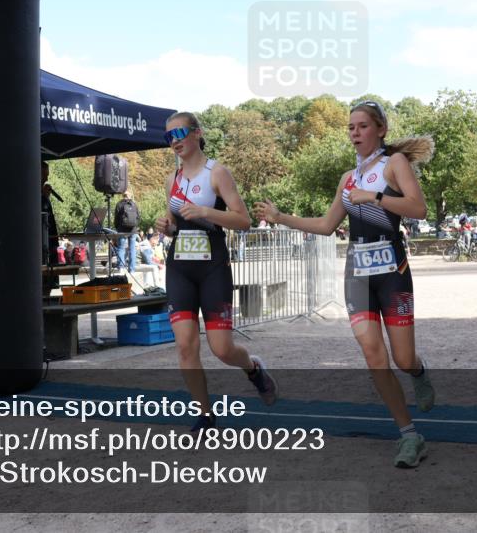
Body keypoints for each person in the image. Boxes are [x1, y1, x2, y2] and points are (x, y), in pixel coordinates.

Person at [255, 100, 436, 468]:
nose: (355, 133)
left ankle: (417, 371)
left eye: (363, 126)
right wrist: (280, 217)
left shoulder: (394, 164)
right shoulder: (347, 178)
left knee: (401, 358)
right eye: (351, 127)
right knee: (373, 354)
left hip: (392, 269)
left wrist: (377, 197)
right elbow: (325, 225)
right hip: (357, 268)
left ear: (381, 129)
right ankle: (409, 435)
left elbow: (419, 210)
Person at [154, 111, 278, 434]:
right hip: (180, 266)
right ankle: (206, 416)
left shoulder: (217, 173)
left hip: (212, 266)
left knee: (221, 348)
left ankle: (253, 368)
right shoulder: (172, 180)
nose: (174, 141)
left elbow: (244, 219)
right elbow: (172, 226)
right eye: (168, 137)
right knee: (185, 345)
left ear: (197, 133)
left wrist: (207, 211)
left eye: (179, 132)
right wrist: (165, 227)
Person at [114, 189, 140, 273]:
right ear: (130, 195)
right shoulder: (134, 204)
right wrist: (135, 226)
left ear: (122, 195)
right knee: (132, 249)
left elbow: (116, 218)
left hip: (122, 230)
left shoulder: (119, 204)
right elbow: (138, 217)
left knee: (121, 248)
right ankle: (132, 269)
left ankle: (121, 268)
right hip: (133, 230)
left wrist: (117, 228)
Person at [40, 161, 59, 266]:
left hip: (50, 238)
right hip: (43, 241)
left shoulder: (42, 195)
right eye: (44, 175)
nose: (47, 179)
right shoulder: (32, 193)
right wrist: (44, 197)